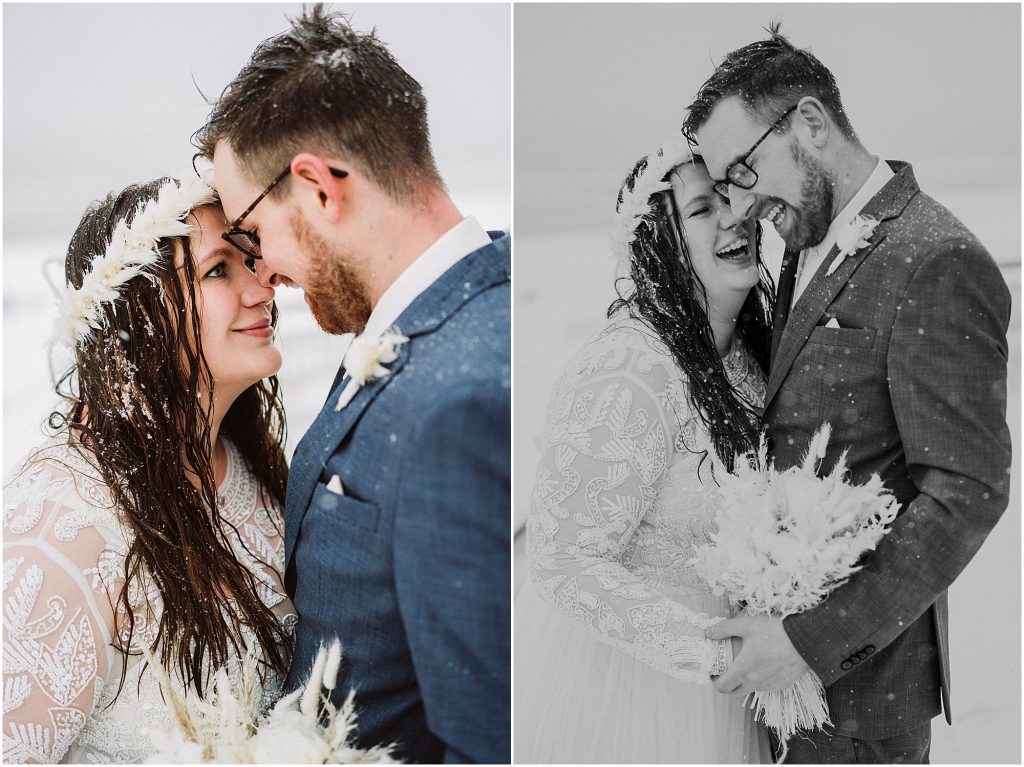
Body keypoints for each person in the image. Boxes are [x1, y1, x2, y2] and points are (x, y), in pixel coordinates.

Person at [683, 25, 1012, 763]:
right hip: (784, 696)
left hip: (864, 703)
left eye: (742, 169)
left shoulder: (935, 258)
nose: (737, 205)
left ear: (810, 123)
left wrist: (805, 643)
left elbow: (969, 489)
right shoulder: (802, 245)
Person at [193, 7, 510, 763]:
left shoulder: (461, 403)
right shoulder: (416, 311)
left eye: (251, 232)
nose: (261, 270)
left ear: (319, 188)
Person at [2, 172, 296, 763]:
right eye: (219, 269)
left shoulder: (253, 474)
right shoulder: (66, 524)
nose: (263, 286)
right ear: (139, 318)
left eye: (253, 260)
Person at [515, 138, 774, 764]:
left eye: (734, 198)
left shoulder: (748, 360)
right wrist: (718, 653)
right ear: (659, 242)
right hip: (638, 698)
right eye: (701, 209)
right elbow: (562, 560)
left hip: (740, 685)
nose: (733, 217)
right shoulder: (630, 369)